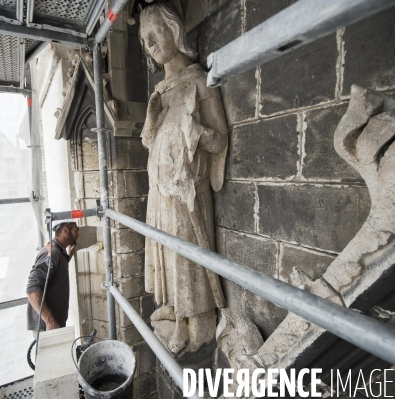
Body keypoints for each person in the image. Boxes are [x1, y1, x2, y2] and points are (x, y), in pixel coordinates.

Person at [139, 4, 228, 355]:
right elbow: (150, 141)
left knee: (186, 259)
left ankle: (196, 324)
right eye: (145, 40)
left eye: (155, 33)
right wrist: (151, 118)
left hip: (187, 190)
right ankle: (176, 313)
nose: (150, 43)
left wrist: (194, 129)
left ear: (173, 31)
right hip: (161, 189)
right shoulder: (160, 91)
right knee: (167, 254)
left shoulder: (198, 80)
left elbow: (218, 139)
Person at [26, 219, 79, 335]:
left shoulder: (59, 251)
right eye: (76, 230)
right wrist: (49, 321)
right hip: (46, 326)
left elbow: (55, 269)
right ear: (65, 230)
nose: (78, 234)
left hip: (51, 323)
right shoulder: (52, 253)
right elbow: (32, 289)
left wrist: (68, 256)